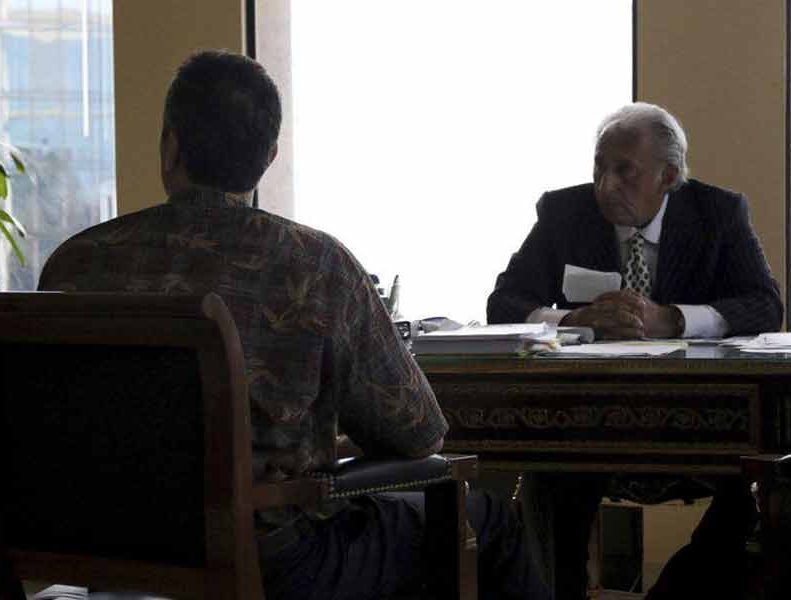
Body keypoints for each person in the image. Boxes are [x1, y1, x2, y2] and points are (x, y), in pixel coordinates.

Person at [38, 50, 548, 600]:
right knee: (486, 519)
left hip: (102, 550)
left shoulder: (75, 262)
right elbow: (420, 434)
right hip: (272, 562)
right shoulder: (314, 263)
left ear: (170, 146)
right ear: (269, 157)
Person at [487, 102, 783, 600]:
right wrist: (574, 319)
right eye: (599, 167)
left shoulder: (718, 213)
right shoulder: (564, 213)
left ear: (668, 175)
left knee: (755, 493)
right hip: (586, 418)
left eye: (624, 170)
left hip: (696, 417)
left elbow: (764, 306)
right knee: (544, 479)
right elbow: (505, 303)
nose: (606, 185)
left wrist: (673, 318)